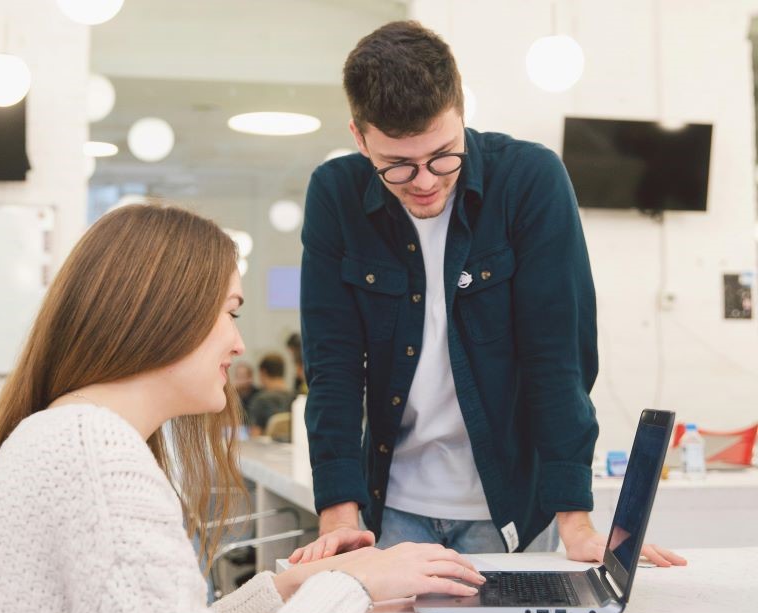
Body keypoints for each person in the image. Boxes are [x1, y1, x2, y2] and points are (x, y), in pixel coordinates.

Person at [0, 204, 484, 613]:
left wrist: (291, 589)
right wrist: (353, 589)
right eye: (229, 313)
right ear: (163, 313)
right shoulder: (99, 461)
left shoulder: (61, 437)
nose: (238, 343)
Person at [292, 20, 685, 569]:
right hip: (392, 507)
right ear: (360, 139)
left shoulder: (529, 181)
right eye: (398, 166)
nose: (425, 181)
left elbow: (558, 356)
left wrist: (575, 520)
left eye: (443, 154)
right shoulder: (334, 195)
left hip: (506, 509)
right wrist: (339, 518)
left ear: (461, 112)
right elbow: (332, 365)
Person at [247, 352, 295, 436]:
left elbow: (255, 435)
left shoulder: (260, 400)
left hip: (268, 449)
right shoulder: (296, 398)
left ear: (263, 372)